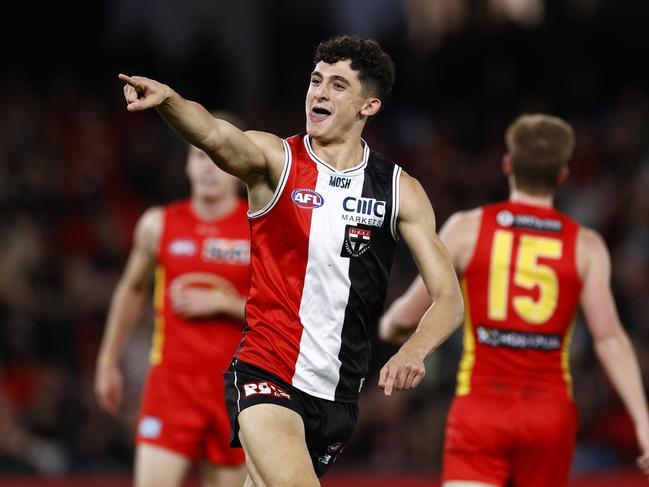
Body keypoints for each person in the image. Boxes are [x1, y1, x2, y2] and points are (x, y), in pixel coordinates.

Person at [117, 34, 464, 486]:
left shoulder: (400, 191)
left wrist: (414, 349)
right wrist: (170, 103)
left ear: (369, 106)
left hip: (337, 397)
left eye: (338, 85)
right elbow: (214, 133)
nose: (319, 91)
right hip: (266, 373)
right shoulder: (275, 161)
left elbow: (449, 298)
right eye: (316, 80)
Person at [379, 114, 649, 487]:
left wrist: (392, 327)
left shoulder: (468, 227)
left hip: (482, 405)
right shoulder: (586, 245)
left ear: (508, 164)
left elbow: (413, 310)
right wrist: (643, 422)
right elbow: (609, 339)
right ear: (562, 175)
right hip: (549, 411)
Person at [94, 133, 251, 487]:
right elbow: (130, 289)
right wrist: (107, 361)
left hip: (235, 387)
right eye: (199, 156)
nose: (208, 166)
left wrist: (224, 303)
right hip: (171, 384)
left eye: (219, 156)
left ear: (238, 166)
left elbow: (284, 310)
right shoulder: (159, 224)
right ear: (186, 165)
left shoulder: (261, 228)